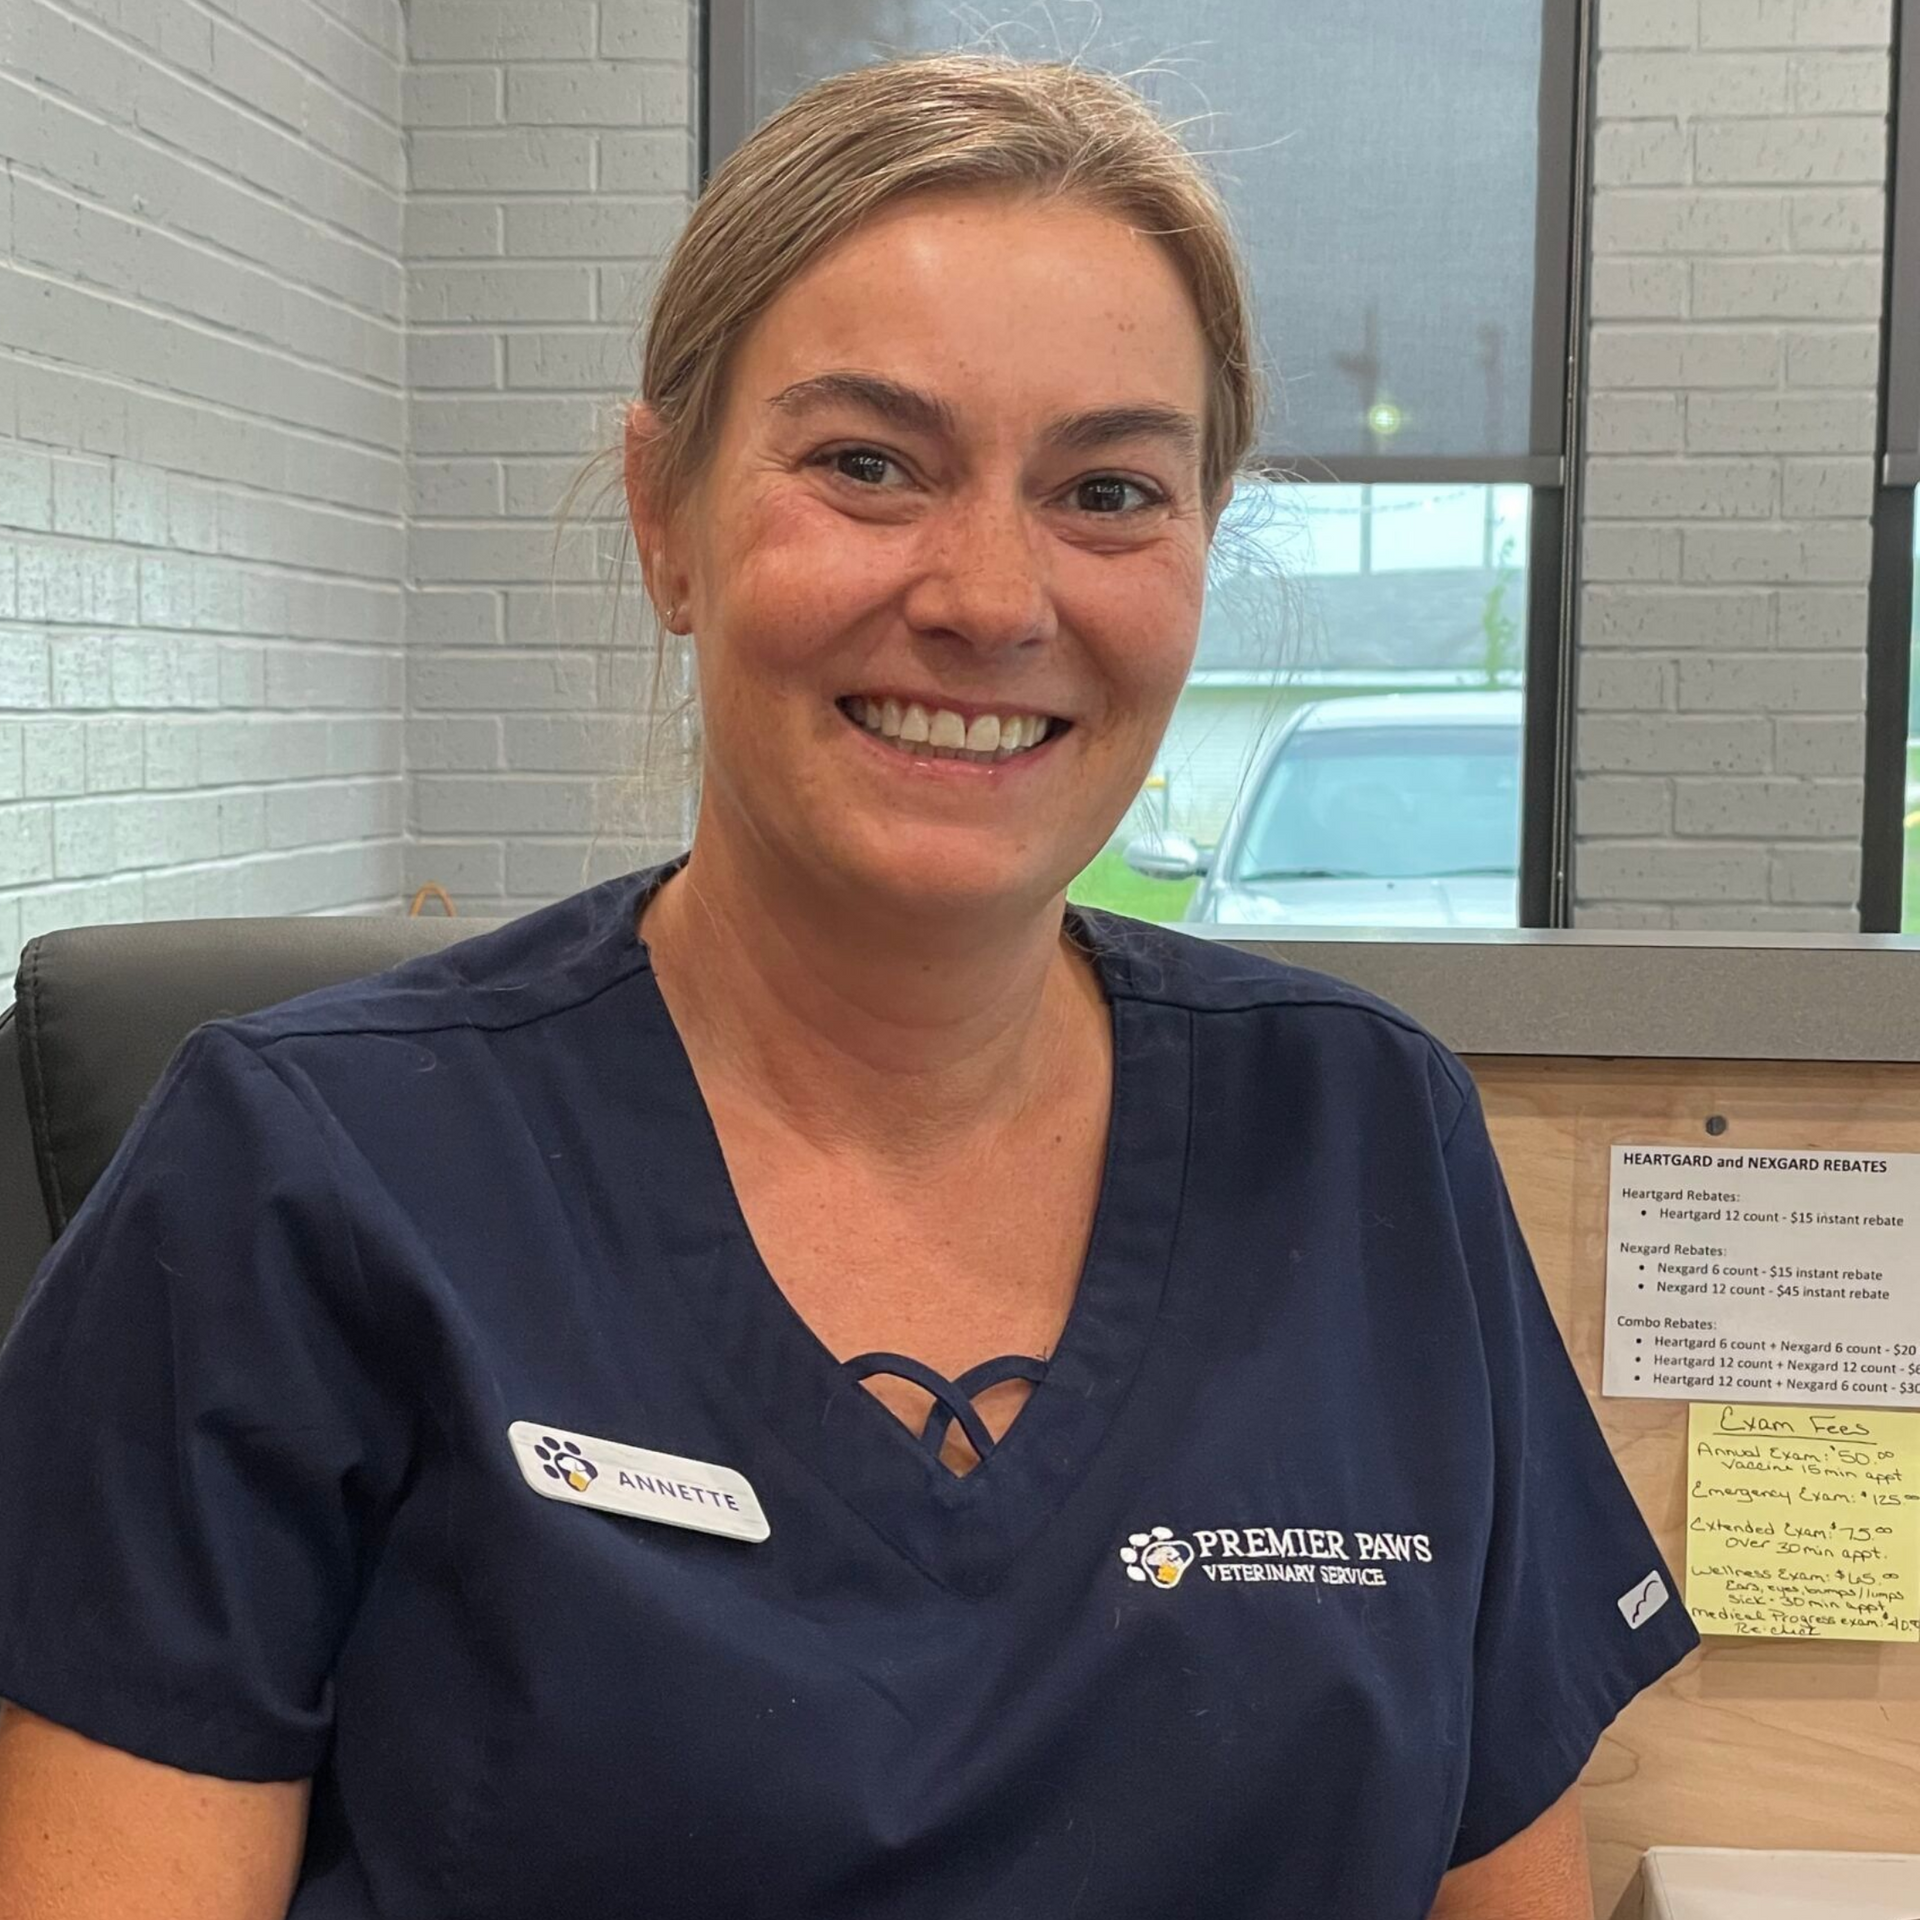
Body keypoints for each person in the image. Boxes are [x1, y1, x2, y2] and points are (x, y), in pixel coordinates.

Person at [0, 53, 1696, 1920]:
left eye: (1108, 489)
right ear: (668, 516)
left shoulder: (1368, 1141)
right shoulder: (305, 1175)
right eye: (867, 463)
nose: (989, 594)